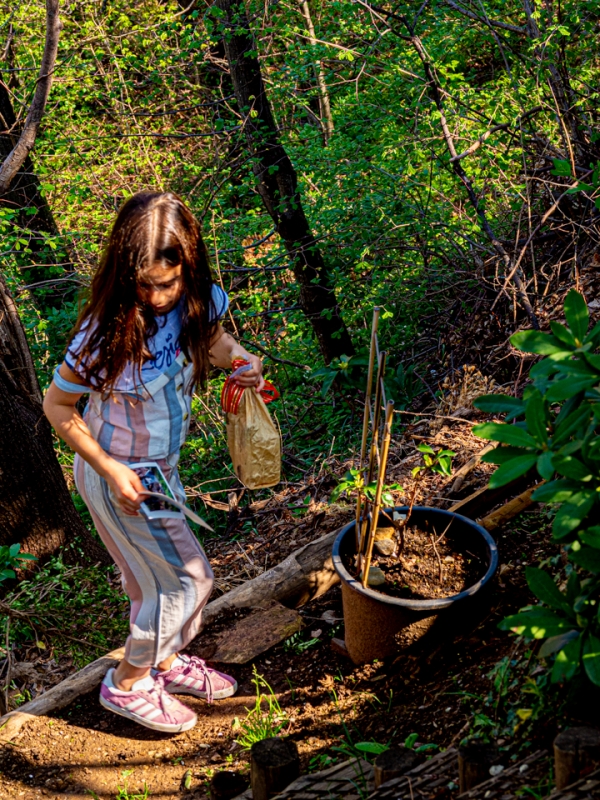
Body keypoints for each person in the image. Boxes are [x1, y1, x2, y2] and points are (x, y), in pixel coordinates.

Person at [43, 191, 264, 733]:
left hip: (159, 468)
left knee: (149, 581)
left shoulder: (198, 299)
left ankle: (164, 662)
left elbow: (214, 343)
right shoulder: (103, 334)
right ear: (124, 273)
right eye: (146, 284)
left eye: (169, 281)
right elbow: (58, 406)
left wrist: (241, 362)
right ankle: (128, 682)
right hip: (120, 474)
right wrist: (112, 470)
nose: (159, 296)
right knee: (188, 581)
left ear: (188, 262)